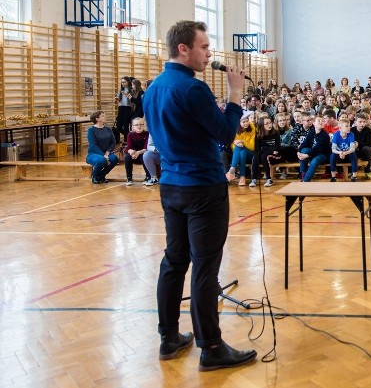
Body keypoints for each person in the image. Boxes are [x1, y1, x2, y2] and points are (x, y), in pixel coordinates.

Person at [142, 21, 256, 371]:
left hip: (171, 184)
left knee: (174, 261)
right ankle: (211, 347)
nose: (209, 54)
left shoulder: (153, 88)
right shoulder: (193, 89)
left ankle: (169, 337)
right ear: (183, 49)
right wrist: (235, 95)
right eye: (204, 47)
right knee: (205, 267)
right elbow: (224, 135)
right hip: (203, 186)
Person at [86, 110, 119, 184]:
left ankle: (101, 175)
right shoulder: (91, 130)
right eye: (103, 116)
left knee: (114, 159)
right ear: (97, 119)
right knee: (101, 160)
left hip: (106, 153)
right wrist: (104, 156)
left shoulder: (108, 129)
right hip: (93, 154)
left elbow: (113, 143)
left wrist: (107, 153)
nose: (105, 117)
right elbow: (93, 145)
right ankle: (95, 176)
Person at [124, 117, 151, 186]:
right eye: (136, 125)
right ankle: (129, 178)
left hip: (143, 154)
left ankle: (148, 177)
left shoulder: (147, 134)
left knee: (145, 155)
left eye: (141, 124)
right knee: (127, 157)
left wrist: (138, 152)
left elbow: (146, 148)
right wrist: (131, 151)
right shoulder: (130, 135)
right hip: (134, 156)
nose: (139, 126)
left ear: (144, 125)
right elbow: (129, 147)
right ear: (133, 126)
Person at [115, 76, 134, 142]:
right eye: (122, 82)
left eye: (124, 82)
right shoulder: (121, 90)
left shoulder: (131, 90)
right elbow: (118, 99)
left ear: (128, 82)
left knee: (126, 126)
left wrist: (127, 95)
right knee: (118, 126)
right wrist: (117, 99)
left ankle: (127, 141)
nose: (123, 83)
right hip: (121, 107)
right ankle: (129, 136)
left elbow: (132, 100)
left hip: (128, 108)